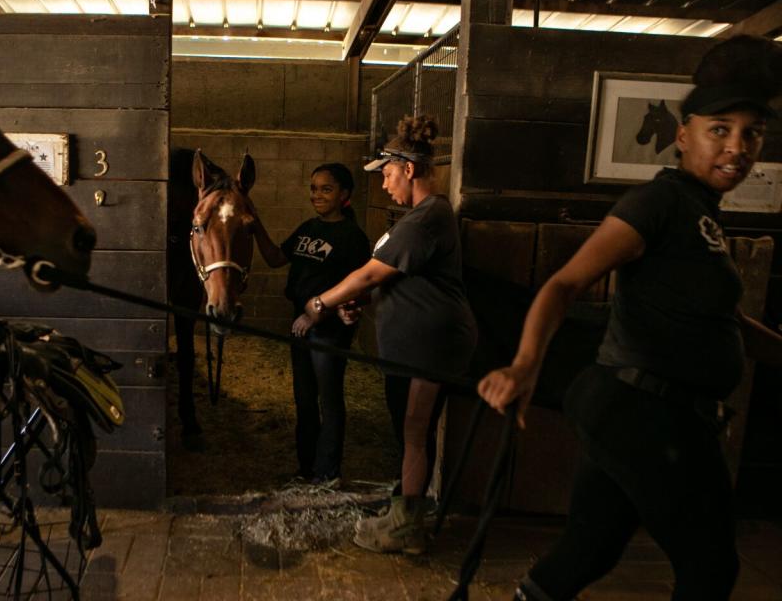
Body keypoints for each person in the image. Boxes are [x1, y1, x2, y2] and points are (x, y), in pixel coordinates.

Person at [478, 35, 782, 601]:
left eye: (752, 132)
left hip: (652, 411)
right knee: (711, 566)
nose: (737, 146)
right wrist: (523, 365)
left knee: (590, 549)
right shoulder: (658, 204)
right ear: (683, 134)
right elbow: (565, 283)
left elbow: (725, 323)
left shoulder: (704, 217)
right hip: (645, 411)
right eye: (720, 129)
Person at [297, 116, 478, 554]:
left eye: (388, 174)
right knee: (407, 431)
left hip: (429, 348)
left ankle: (407, 529)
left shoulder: (427, 216)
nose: (383, 184)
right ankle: (403, 512)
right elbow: (398, 282)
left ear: (409, 170)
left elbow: (370, 273)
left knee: (415, 433)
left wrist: (322, 302)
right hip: (410, 348)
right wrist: (364, 303)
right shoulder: (415, 218)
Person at [252, 163, 371, 486]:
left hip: (328, 328)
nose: (317, 195)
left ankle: (328, 473)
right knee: (304, 400)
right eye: (314, 188)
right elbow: (276, 258)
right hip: (301, 325)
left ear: (344, 195)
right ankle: (306, 469)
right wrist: (254, 225)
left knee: (328, 400)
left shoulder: (352, 237)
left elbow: (359, 289)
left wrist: (318, 314)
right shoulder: (307, 229)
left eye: (326, 189)